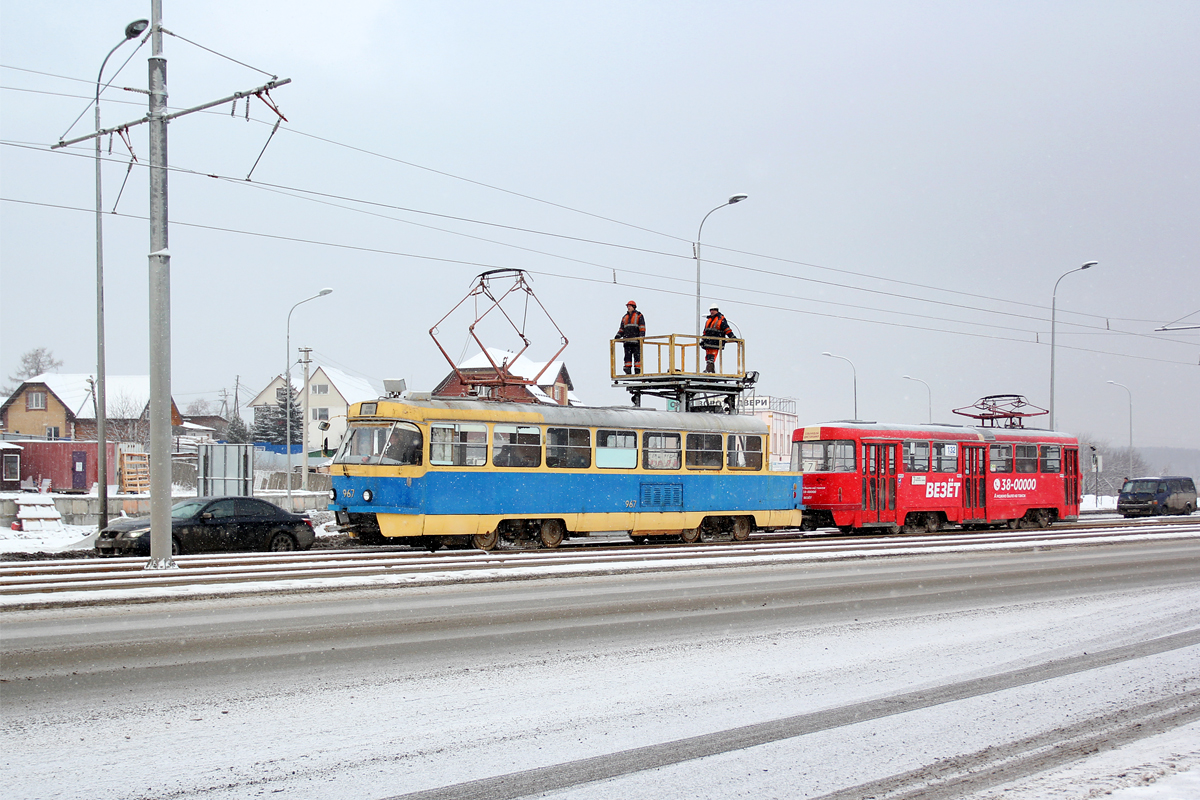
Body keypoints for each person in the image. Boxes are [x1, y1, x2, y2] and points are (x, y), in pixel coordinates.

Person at [615, 300, 646, 374]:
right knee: (627, 357)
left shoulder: (639, 315)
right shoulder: (625, 317)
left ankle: (637, 371)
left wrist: (641, 337)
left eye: (629, 306)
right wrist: (618, 336)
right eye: (627, 306)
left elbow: (642, 327)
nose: (628, 307)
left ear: (633, 307)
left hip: (636, 341)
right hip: (627, 341)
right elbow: (621, 329)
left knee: (637, 357)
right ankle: (627, 370)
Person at [701, 305, 734, 373]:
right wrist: (703, 340)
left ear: (717, 310)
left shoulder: (721, 319)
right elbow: (705, 331)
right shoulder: (709, 320)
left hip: (716, 342)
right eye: (711, 310)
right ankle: (710, 370)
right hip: (708, 342)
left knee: (711, 357)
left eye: (713, 310)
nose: (712, 311)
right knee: (708, 357)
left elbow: (727, 329)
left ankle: (710, 370)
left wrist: (733, 337)